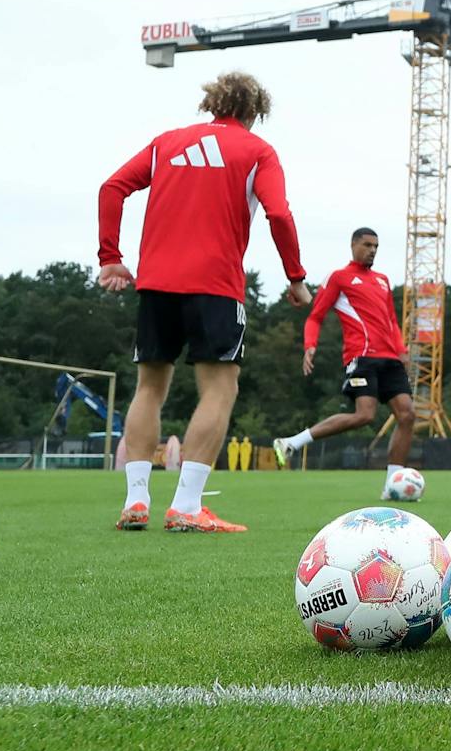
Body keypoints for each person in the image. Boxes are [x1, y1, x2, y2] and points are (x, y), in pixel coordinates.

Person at [97, 72, 309, 533]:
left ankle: (136, 501)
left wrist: (110, 257)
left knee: (149, 387)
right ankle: (187, 506)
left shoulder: (167, 142)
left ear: (212, 103)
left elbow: (111, 187)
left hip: (155, 284)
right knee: (219, 388)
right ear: (255, 111)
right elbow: (278, 213)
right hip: (215, 285)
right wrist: (295, 277)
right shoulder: (257, 150)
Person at [272, 228, 417, 496]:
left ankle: (392, 487)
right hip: (361, 357)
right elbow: (315, 316)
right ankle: (292, 442)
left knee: (407, 415)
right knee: (365, 415)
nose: (372, 250)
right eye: (367, 245)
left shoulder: (383, 280)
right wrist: (310, 345)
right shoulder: (339, 277)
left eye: (376, 246)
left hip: (390, 359)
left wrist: (402, 350)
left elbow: (391, 321)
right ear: (353, 245)